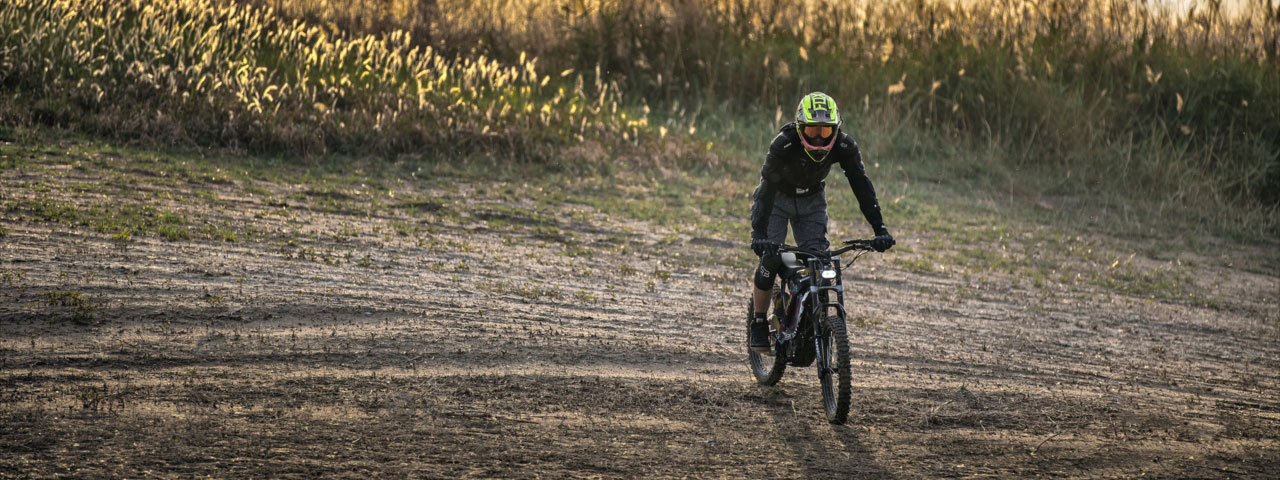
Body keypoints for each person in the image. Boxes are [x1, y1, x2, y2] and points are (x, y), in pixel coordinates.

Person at [749, 92, 895, 353]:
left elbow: (861, 185)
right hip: (777, 199)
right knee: (771, 257)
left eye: (825, 132)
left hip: (812, 200)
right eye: (812, 130)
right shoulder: (783, 144)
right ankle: (759, 322)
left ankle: (814, 325)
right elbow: (766, 188)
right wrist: (759, 233)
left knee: (820, 263)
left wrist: (879, 228)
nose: (818, 138)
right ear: (799, 127)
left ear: (836, 130)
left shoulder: (845, 146)